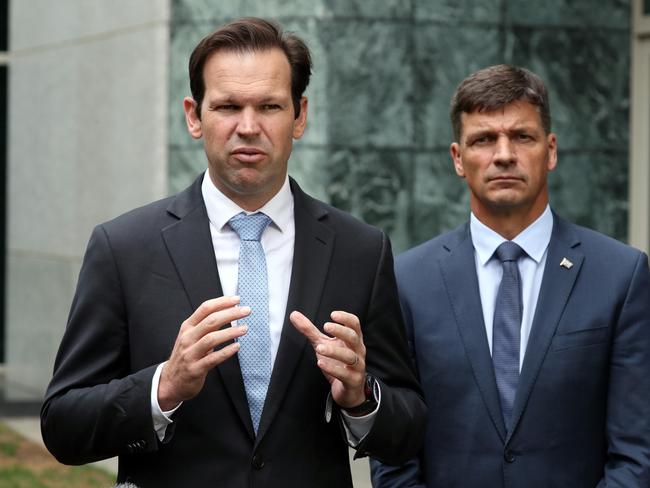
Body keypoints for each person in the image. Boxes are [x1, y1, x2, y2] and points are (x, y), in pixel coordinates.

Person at [40, 17, 425, 487]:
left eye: (269, 106)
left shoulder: (360, 250)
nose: (248, 127)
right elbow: (63, 425)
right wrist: (163, 386)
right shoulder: (124, 248)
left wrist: (361, 397)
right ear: (194, 116)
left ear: (300, 115)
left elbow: (408, 431)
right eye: (227, 106)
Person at [371, 64, 650, 487]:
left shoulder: (621, 276)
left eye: (522, 136)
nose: (504, 154)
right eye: (483, 139)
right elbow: (395, 457)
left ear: (551, 150)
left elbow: (635, 453)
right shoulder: (407, 281)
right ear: (458, 158)